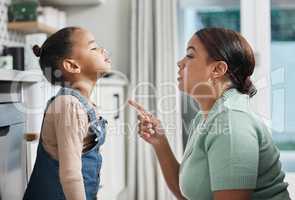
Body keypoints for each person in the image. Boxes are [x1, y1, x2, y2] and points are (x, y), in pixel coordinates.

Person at [129, 27, 290, 200]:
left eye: (190, 55)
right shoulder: (205, 117)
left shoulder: (231, 121)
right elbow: (189, 193)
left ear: (217, 69)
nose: (180, 62)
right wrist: (159, 141)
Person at [23, 27, 111, 200]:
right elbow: (71, 175)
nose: (103, 50)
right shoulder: (69, 106)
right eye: (93, 48)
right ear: (72, 65)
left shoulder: (85, 104)